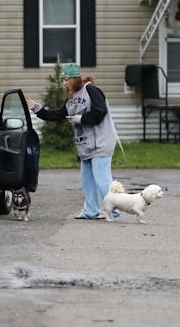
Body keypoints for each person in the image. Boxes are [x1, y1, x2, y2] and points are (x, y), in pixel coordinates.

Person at [27, 62, 120, 220]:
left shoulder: (91, 90)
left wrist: (81, 119)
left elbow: (100, 112)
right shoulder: (71, 98)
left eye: (66, 80)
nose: (64, 83)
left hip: (101, 142)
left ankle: (114, 209)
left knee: (102, 179)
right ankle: (91, 211)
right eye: (62, 80)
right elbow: (58, 114)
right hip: (86, 145)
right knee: (87, 180)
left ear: (75, 78)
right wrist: (38, 109)